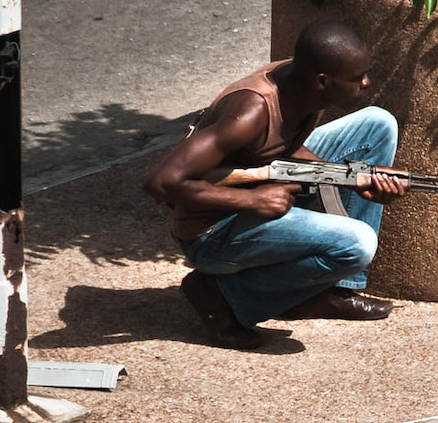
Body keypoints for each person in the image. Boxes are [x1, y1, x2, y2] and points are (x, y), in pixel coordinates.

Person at [143, 20, 406, 349]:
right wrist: (252, 202)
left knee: (378, 124)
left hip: (261, 184)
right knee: (358, 244)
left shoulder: (299, 80)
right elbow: (160, 182)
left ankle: (330, 289)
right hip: (212, 232)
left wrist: (351, 176)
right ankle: (218, 296)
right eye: (356, 78)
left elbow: (279, 148)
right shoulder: (249, 113)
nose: (366, 83)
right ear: (322, 81)